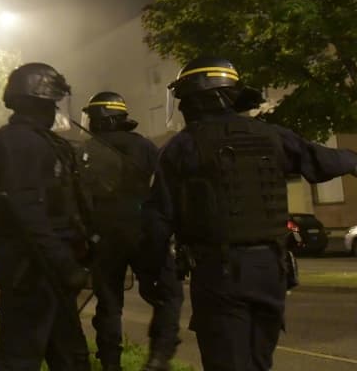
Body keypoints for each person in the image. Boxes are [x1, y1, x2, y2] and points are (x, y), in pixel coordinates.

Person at [142, 57, 357, 371]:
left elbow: (157, 220)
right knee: (259, 363)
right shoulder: (272, 136)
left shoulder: (183, 147)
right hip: (271, 271)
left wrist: (152, 276)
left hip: (220, 274)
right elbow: (325, 161)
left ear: (196, 99)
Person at [0, 62, 91, 371]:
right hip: (29, 270)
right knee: (19, 359)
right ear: (37, 102)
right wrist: (62, 260)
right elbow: (27, 210)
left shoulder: (45, 141)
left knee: (72, 358)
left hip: (50, 269)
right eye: (51, 103)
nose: (55, 109)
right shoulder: (18, 141)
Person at [79, 92, 183, 371]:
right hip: (144, 233)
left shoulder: (86, 150)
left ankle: (111, 364)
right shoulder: (145, 147)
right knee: (168, 294)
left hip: (103, 238)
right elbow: (163, 190)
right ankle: (158, 357)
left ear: (99, 119)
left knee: (109, 304)